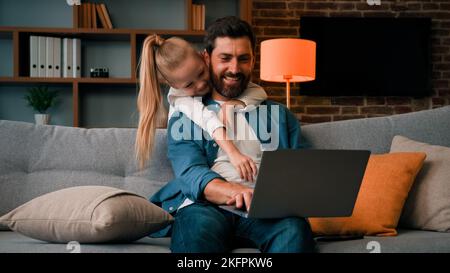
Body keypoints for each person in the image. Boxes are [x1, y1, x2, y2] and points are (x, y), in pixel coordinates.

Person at [150, 16, 316, 253]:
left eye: (244, 59)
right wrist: (236, 191)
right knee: (195, 231)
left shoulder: (278, 115)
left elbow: (303, 166)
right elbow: (190, 173)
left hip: (266, 211)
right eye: (225, 58)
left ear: (253, 61)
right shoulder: (185, 115)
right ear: (206, 58)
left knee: (294, 230)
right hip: (205, 207)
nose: (235, 69)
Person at [135, 34, 268, 182]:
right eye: (189, 85)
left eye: (201, 73)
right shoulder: (180, 100)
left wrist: (235, 103)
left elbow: (258, 91)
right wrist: (234, 154)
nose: (201, 84)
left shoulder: (218, 78)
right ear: (174, 86)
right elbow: (209, 121)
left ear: (204, 57)